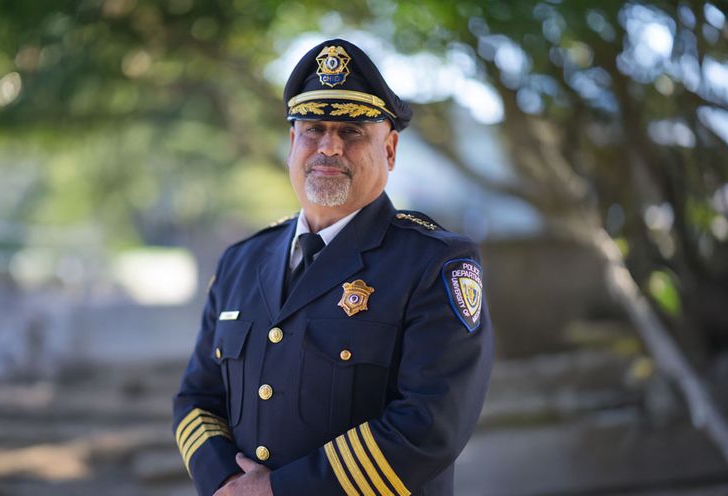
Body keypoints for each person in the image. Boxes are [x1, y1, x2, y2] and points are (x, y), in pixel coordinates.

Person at [173, 38, 494, 496]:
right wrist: (226, 482)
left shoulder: (435, 263)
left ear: (390, 150)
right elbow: (196, 398)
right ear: (292, 142)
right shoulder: (240, 262)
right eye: (314, 129)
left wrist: (278, 490)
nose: (329, 148)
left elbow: (429, 426)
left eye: (352, 132)